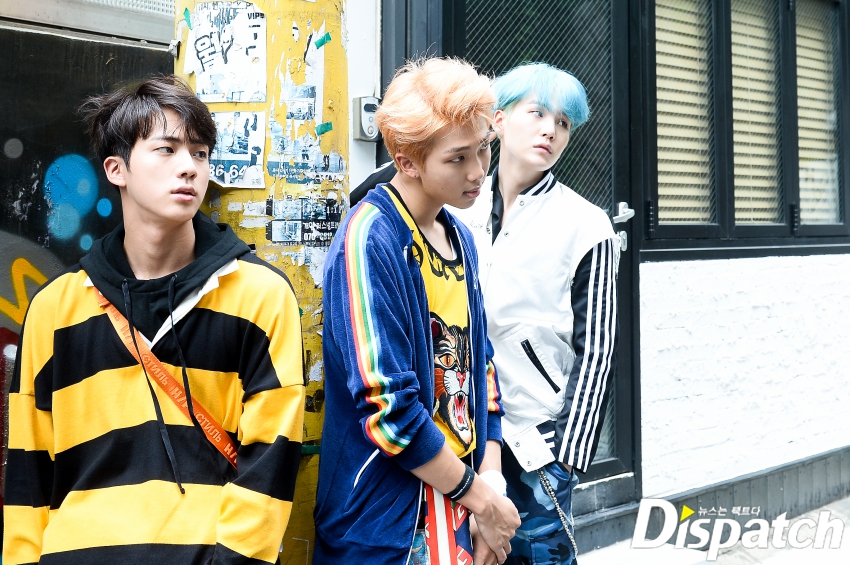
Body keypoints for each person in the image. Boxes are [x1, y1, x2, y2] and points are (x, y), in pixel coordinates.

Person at [3, 75, 305, 565]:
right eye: (166, 149)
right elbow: (28, 470)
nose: (189, 167)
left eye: (200, 153)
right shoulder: (55, 308)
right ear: (117, 169)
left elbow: (271, 461)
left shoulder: (260, 296)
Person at [314, 57, 520, 565]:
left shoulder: (460, 236)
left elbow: (480, 365)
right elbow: (390, 410)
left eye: (484, 148)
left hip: (462, 504)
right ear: (407, 162)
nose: (478, 171)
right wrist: (482, 499)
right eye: (457, 158)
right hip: (387, 525)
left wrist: (490, 485)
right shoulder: (370, 239)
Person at [450, 63, 619, 565]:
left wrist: (567, 454)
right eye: (538, 113)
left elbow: (598, 350)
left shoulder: (587, 224)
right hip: (457, 432)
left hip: (534, 441)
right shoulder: (456, 204)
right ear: (498, 121)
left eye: (563, 122)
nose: (551, 130)